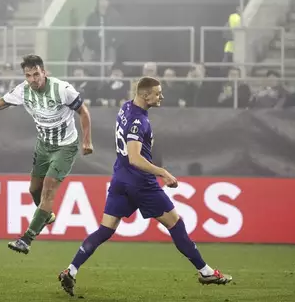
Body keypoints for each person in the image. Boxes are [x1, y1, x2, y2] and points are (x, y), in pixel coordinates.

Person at [57, 77, 232, 297]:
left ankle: (70, 270)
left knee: (105, 230)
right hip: (141, 183)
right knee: (176, 225)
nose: (161, 97)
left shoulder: (126, 107)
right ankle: (206, 272)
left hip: (120, 179)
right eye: (158, 93)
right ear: (145, 95)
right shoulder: (139, 121)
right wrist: (163, 172)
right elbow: (135, 158)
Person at [0, 54, 93, 254]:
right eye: (28, 75)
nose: (33, 79)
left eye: (36, 74)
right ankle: (45, 215)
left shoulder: (62, 89)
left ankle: (27, 239)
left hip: (65, 146)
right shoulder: (23, 90)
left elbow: (83, 111)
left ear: (44, 72)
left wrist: (87, 140)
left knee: (48, 188)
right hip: (43, 146)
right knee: (34, 189)